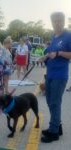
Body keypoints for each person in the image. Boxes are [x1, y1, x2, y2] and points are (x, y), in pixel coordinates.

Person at [40, 12, 71, 143]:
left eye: (59, 20)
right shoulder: (54, 36)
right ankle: (57, 126)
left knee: (55, 102)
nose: (57, 23)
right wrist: (45, 57)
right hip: (50, 74)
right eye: (54, 21)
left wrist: (59, 53)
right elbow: (50, 52)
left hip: (60, 75)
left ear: (63, 21)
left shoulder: (68, 36)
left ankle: (54, 133)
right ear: (52, 22)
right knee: (49, 101)